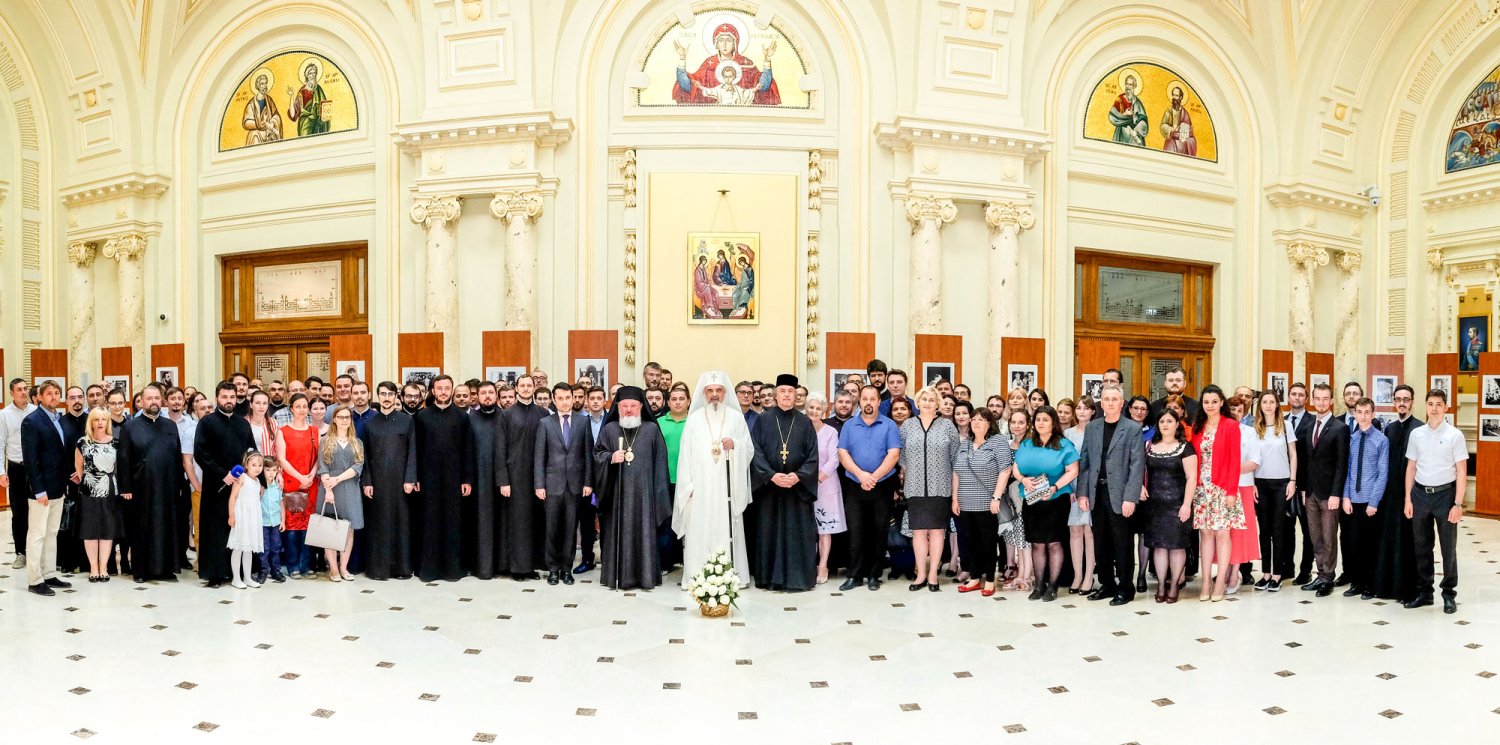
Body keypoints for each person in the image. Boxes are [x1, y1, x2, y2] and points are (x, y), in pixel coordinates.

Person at [672, 371, 755, 589]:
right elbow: (685, 456)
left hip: (727, 489)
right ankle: (697, 574)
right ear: (704, 393)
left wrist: (735, 445)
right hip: (700, 489)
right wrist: (687, 486)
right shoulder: (694, 419)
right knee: (699, 529)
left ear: (725, 393)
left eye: (719, 390)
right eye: (710, 391)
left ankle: (731, 574)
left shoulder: (736, 418)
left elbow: (749, 449)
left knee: (726, 529)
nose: (714, 395)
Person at [1075, 385, 1146, 606]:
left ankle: (1126, 588)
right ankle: (1107, 585)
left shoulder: (1132, 428)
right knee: (1101, 543)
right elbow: (1084, 462)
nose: (1111, 403)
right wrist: (1083, 492)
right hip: (1097, 492)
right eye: (1106, 399)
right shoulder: (1093, 428)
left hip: (1121, 494)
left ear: (1122, 402)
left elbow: (1137, 466)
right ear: (1101, 403)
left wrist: (1131, 497)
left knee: (1122, 544)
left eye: (1115, 399)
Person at [594, 387, 671, 590]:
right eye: (624, 406)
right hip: (617, 495)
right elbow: (597, 455)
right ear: (618, 407)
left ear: (641, 407)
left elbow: (661, 465)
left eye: (633, 406)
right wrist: (610, 457)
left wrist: (658, 496)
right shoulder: (609, 429)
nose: (629, 410)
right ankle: (618, 576)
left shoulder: (652, 430)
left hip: (644, 497)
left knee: (644, 534)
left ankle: (645, 577)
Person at [748, 374, 820, 591]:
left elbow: (813, 456)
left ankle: (798, 579)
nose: (787, 395)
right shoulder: (763, 420)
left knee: (796, 534)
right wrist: (771, 475)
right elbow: (755, 452)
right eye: (783, 392)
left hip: (798, 490)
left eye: (791, 392)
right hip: (770, 488)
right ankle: (769, 578)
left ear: (796, 395)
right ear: (776, 394)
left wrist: (799, 476)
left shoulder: (805, 422)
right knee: (769, 533)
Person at [1402, 388, 1466, 614]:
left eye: (1439, 404)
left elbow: (1461, 471)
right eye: (1431, 404)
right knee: (1421, 546)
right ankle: (1424, 592)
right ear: (1426, 406)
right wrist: (1408, 499)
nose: (1435, 408)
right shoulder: (1417, 434)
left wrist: (1458, 504)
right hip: (1419, 494)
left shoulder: (1454, 435)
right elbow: (1411, 468)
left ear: (1446, 407)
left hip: (1445, 496)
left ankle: (1449, 594)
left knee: (1448, 548)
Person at [116, 383, 183, 583]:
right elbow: (124, 459)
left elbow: (176, 456)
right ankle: (141, 571)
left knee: (166, 527)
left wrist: (179, 484)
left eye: (156, 398)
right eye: (149, 398)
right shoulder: (130, 426)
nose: (153, 402)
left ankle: (165, 569)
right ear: (141, 402)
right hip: (140, 486)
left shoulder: (170, 425)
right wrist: (125, 488)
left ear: (161, 401)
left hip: (168, 486)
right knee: (142, 529)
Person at [836, 385, 902, 592]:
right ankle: (854, 575)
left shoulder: (889, 425)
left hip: (881, 485)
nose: (868, 402)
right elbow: (842, 453)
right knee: (856, 531)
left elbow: (894, 454)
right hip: (855, 484)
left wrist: (874, 477)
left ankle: (874, 575)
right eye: (865, 398)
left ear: (878, 402)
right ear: (859, 401)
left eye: (873, 399)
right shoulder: (849, 426)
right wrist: (861, 474)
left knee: (878, 531)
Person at [1013, 406, 1078, 602]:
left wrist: (1055, 487)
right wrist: (1023, 480)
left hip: (1056, 499)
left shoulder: (1064, 444)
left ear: (1053, 422)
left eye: (1045, 419)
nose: (1041, 422)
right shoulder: (1026, 444)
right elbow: (1015, 468)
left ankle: (1053, 585)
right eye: (1038, 419)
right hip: (1032, 499)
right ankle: (1039, 584)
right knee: (1037, 543)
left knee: (1054, 543)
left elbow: (1073, 470)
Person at [898, 386, 960, 592]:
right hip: (915, 487)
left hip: (940, 487)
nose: (927, 402)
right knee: (918, 532)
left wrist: (954, 493)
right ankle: (921, 574)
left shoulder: (947, 426)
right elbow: (901, 456)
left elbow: (955, 458)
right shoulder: (907, 425)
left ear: (938, 404)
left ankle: (933, 574)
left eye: (931, 399)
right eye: (923, 399)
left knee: (937, 532)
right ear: (917, 402)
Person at [413, 376, 475, 583]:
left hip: (454, 478)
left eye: (447, 388)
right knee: (429, 523)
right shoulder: (422, 417)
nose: (443, 392)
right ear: (433, 390)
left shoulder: (461, 417)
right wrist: (416, 477)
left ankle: (453, 569)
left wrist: (467, 479)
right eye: (439, 388)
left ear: (451, 391)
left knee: (453, 523)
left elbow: (468, 449)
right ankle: (429, 569)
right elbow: (416, 450)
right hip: (427, 479)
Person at [195, 382, 257, 588]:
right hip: (216, 484)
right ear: (217, 398)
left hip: (241, 484)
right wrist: (223, 474)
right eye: (224, 397)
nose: (228, 400)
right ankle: (214, 573)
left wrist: (255, 477)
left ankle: (237, 572)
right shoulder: (206, 423)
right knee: (216, 529)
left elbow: (251, 452)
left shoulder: (243, 423)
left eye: (232, 397)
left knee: (238, 527)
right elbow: (200, 453)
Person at [534, 383, 594, 585]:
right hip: (552, 485)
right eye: (560, 398)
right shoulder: (545, 423)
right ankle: (552, 569)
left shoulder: (582, 422)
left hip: (575, 485)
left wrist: (588, 482)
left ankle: (567, 569)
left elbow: (588, 454)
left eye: (568, 398)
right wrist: (539, 485)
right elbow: (539, 457)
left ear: (573, 398)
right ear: (554, 398)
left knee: (570, 528)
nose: (565, 402)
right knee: (552, 529)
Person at [1189, 386, 1243, 602]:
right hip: (1202, 489)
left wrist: (1231, 491)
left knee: (1222, 534)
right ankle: (1206, 581)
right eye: (1206, 401)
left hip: (1222, 487)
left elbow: (1234, 460)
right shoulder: (1198, 427)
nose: (1210, 405)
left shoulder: (1231, 426)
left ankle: (1220, 580)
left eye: (1214, 401)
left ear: (1221, 402)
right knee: (1206, 534)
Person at [359, 382, 417, 581]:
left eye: (390, 394)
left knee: (402, 524)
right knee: (378, 525)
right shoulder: (370, 424)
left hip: (401, 482)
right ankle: (378, 570)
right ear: (376, 396)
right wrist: (367, 482)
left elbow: (412, 451)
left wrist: (410, 478)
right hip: (377, 483)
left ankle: (402, 568)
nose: (386, 397)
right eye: (382, 393)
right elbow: (364, 456)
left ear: (396, 396)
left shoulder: (406, 421)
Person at [951, 408, 1011, 596]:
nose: (976, 422)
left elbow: (1005, 469)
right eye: (974, 419)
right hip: (964, 500)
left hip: (987, 501)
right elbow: (956, 472)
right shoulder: (965, 444)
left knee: (987, 542)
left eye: (982, 419)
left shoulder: (997, 442)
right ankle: (975, 577)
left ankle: (990, 580)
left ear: (989, 423)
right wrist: (954, 498)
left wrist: (996, 497)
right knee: (970, 542)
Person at [1299, 383, 1349, 598]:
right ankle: (1319, 574)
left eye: (1325, 398)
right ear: (1313, 400)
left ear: (1331, 401)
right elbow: (1305, 461)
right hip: (1310, 492)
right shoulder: (1309, 427)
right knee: (1315, 537)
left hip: (1329, 494)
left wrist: (1336, 494)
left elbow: (1341, 464)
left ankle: (1328, 577)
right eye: (1317, 398)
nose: (1321, 402)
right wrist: (1303, 489)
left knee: (1329, 537)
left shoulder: (1340, 428)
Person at [1143, 408, 1197, 603]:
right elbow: (1141, 470)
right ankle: (1160, 584)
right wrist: (1141, 486)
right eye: (1162, 421)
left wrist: (1186, 505)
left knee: (1176, 547)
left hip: (1177, 505)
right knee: (1158, 547)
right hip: (1154, 505)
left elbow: (1192, 478)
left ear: (1177, 424)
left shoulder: (1185, 447)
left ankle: (1174, 584)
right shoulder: (1149, 445)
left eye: (1169, 421)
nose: (1165, 425)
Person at [497, 375, 548, 581]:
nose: (526, 389)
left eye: (529, 385)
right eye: (523, 385)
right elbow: (500, 449)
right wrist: (503, 480)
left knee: (536, 521)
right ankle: (517, 568)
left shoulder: (543, 414)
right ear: (516, 388)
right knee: (518, 523)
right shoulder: (507, 415)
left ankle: (533, 566)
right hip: (515, 477)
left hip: (538, 476)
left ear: (534, 388)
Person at [1374, 385, 1420, 601]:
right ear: (1393, 402)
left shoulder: (1419, 429)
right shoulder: (1389, 429)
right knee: (1389, 539)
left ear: (1412, 402)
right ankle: (1388, 587)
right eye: (1398, 399)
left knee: (1409, 542)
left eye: (1406, 399)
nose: (1402, 403)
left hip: (1412, 496)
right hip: (1389, 496)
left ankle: (1408, 589)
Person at [1340, 397, 1388, 600]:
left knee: (1370, 546)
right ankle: (1356, 583)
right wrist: (1346, 497)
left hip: (1370, 502)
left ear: (1373, 414)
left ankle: (1370, 584)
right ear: (1355, 414)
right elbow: (1348, 470)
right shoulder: (1351, 438)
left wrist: (1374, 502)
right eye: (1359, 412)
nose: (1363, 416)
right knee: (1354, 544)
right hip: (1353, 499)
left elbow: (1382, 473)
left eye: (1367, 412)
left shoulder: (1381, 440)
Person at [1250, 390, 1298, 591]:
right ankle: (1266, 573)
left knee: (1279, 530)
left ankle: (1277, 575)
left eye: (1272, 402)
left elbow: (1293, 455)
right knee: (1265, 531)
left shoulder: (1285, 426)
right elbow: (1250, 458)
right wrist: (1251, 482)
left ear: (1277, 405)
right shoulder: (1255, 429)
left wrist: (1292, 480)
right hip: (1260, 483)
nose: (1268, 405)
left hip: (1281, 483)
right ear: (1260, 405)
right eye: (1265, 402)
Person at [274, 394, 320, 579]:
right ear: (291, 408)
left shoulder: (314, 431)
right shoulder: (283, 431)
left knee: (308, 526)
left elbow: (318, 457)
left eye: (304, 406)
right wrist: (300, 476)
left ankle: (306, 565)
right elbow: (281, 459)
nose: (302, 410)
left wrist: (311, 474)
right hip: (292, 482)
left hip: (311, 483)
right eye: (298, 406)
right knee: (293, 528)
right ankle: (293, 566)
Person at [317, 406, 365, 581]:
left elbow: (358, 466)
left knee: (349, 529)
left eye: (347, 417)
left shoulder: (357, 442)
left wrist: (338, 479)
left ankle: (344, 568)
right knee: (331, 528)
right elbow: (322, 468)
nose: (345, 420)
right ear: (334, 419)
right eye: (341, 417)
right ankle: (333, 569)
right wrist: (329, 489)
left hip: (350, 487)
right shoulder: (326, 441)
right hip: (329, 488)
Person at [800, 393, 843, 584]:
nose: (814, 411)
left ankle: (823, 566)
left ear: (824, 411)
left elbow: (834, 459)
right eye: (811, 407)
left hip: (825, 485)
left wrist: (816, 478)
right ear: (806, 409)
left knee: (824, 529)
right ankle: (808, 565)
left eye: (818, 408)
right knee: (807, 528)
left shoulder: (831, 432)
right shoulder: (800, 430)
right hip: (802, 486)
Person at [76, 408, 122, 583]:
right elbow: (79, 469)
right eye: (96, 419)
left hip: (110, 492)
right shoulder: (82, 442)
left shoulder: (116, 443)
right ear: (91, 422)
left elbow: (119, 468)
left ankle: (103, 568)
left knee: (107, 531)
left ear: (108, 422)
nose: (100, 423)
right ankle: (93, 568)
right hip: (89, 492)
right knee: (90, 531)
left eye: (103, 419)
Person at [465, 381, 505, 580]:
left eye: (491, 393)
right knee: (480, 524)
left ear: (496, 395)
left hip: (501, 480)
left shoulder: (505, 417)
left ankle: (501, 565)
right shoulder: (470, 419)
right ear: (477, 397)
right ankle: (481, 567)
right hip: (478, 480)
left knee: (501, 523)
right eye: (484, 393)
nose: (488, 396)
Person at [1222, 395, 1260, 594]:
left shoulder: (1249, 432)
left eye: (1239, 410)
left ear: (1244, 412)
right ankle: (1224, 569)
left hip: (1242, 486)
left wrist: (1231, 469)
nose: (1235, 413)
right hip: (1221, 487)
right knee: (1223, 531)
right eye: (1232, 409)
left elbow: (1254, 461)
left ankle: (1235, 571)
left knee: (1238, 533)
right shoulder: (1220, 429)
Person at [2, 378, 37, 569]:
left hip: (35, 467)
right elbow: (0, 444)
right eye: (19, 390)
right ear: (12, 393)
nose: (24, 392)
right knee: (18, 512)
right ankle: (20, 553)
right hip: (16, 467)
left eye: (25, 389)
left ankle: (36, 552)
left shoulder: (36, 411)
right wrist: (1, 472)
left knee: (38, 511)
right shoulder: (4, 414)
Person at [656, 385, 690, 572]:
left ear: (688, 401)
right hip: (665, 480)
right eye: (674, 399)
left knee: (688, 522)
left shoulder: (694, 422)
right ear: (668, 403)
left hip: (688, 481)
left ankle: (686, 559)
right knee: (666, 522)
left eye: (681, 399)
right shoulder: (659, 422)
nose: (677, 402)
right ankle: (665, 562)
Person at [226, 451, 265, 589]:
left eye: (260, 465)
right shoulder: (242, 478)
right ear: (246, 465)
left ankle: (247, 577)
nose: (257, 468)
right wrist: (231, 515)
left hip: (252, 518)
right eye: (253, 464)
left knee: (248, 548)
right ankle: (236, 578)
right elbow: (232, 497)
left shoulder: (258, 481)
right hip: (241, 516)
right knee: (238, 547)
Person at [254, 461, 286, 584]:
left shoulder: (278, 486)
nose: (271, 473)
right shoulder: (259, 486)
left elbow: (281, 504)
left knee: (276, 547)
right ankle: (263, 570)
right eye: (268, 470)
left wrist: (283, 521)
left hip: (276, 523)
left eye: (274, 470)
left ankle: (276, 571)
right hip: (263, 523)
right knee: (264, 548)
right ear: (263, 470)